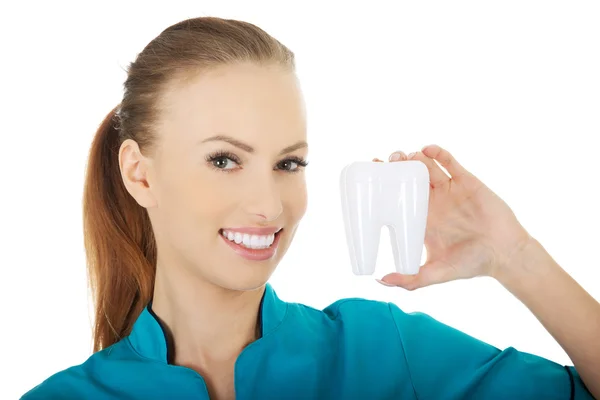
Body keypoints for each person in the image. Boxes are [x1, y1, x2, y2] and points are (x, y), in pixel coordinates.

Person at [21, 16, 598, 400]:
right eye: (224, 160)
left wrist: (515, 257)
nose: (269, 204)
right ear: (139, 174)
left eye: (289, 163)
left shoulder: (380, 351)